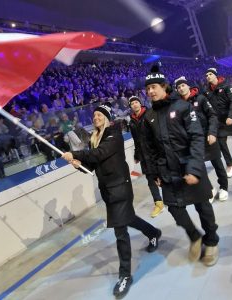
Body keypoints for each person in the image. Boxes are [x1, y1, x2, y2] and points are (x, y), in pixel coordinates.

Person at [62, 104, 161, 298]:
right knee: (128, 218)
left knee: (120, 231)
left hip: (121, 188)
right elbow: (90, 166)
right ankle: (153, 232)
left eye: (100, 114)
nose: (96, 117)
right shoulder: (93, 140)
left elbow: (100, 154)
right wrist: (77, 164)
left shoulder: (113, 135)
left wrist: (75, 153)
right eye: (94, 115)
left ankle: (125, 275)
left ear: (106, 118)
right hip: (108, 191)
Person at [142, 66, 219, 267]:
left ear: (164, 87)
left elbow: (196, 136)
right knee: (175, 209)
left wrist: (194, 168)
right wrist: (153, 174)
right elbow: (149, 149)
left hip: (190, 167)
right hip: (168, 172)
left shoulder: (182, 107)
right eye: (147, 88)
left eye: (154, 87)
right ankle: (195, 237)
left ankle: (211, 241)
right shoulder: (148, 116)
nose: (150, 91)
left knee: (203, 207)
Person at [175, 76, 228, 202]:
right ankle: (210, 189)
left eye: (183, 85)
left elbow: (212, 116)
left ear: (188, 86)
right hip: (194, 141)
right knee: (200, 167)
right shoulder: (179, 105)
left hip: (208, 136)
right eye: (178, 87)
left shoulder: (201, 98)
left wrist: (212, 132)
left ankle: (224, 187)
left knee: (217, 164)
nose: (181, 88)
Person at [204, 68, 232, 178]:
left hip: (231, 119)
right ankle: (230, 165)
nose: (208, 76)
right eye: (206, 75)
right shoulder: (207, 91)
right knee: (222, 145)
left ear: (215, 75)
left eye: (210, 74)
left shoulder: (227, 86)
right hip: (219, 122)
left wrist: (231, 116)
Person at [128, 95, 164, 217]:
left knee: (163, 174)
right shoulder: (131, 121)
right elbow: (135, 140)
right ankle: (158, 203)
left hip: (156, 152)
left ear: (140, 103)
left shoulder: (150, 113)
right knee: (150, 179)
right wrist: (136, 154)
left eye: (136, 102)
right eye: (132, 104)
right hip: (144, 155)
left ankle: (173, 196)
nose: (134, 105)